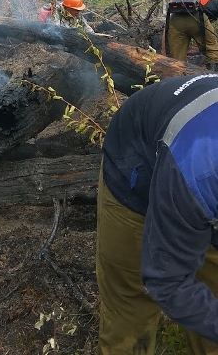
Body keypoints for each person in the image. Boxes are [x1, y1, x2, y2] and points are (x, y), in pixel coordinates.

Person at [97, 74, 218, 354]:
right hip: (135, 169)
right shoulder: (199, 170)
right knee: (130, 317)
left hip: (190, 171)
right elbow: (166, 279)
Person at [166, 0, 218, 70]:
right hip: (197, 19)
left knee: (177, 58)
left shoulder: (187, 1)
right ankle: (212, 76)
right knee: (212, 49)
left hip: (175, 20)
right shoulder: (212, 2)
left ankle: (178, 79)